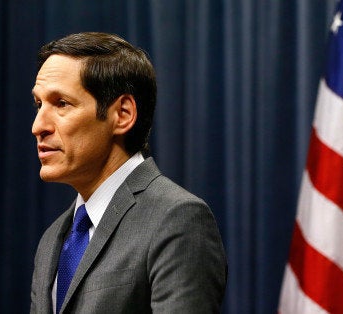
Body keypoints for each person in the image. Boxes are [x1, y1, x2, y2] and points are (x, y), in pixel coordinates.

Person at [29, 32, 227, 313]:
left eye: (61, 103)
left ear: (122, 114)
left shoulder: (177, 219)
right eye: (38, 105)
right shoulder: (53, 239)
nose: (38, 126)